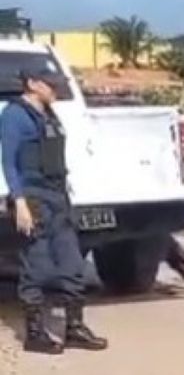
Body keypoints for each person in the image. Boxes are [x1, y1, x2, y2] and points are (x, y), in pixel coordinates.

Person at [0, 64, 107, 354]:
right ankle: (34, 334)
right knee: (36, 266)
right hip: (33, 198)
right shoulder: (14, 116)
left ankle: (74, 328)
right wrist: (19, 201)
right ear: (33, 84)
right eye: (50, 84)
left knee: (73, 264)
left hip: (58, 197)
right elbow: (9, 162)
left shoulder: (48, 112)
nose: (56, 88)